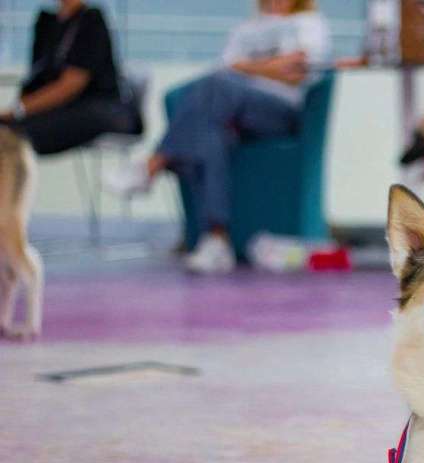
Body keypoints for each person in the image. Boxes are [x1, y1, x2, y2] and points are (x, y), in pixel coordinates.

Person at [107, 0, 330, 274]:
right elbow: (229, 68)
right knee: (212, 135)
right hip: (234, 114)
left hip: (279, 113)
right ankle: (216, 239)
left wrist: (246, 67)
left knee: (217, 85)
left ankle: (153, 164)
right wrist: (270, 66)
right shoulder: (246, 29)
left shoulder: (308, 25)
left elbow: (296, 73)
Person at [0, 0, 140, 155]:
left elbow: (70, 85)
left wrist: (19, 110)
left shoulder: (91, 20)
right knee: (8, 129)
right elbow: (39, 77)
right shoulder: (47, 22)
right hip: (67, 107)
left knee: (16, 135)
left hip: (99, 109)